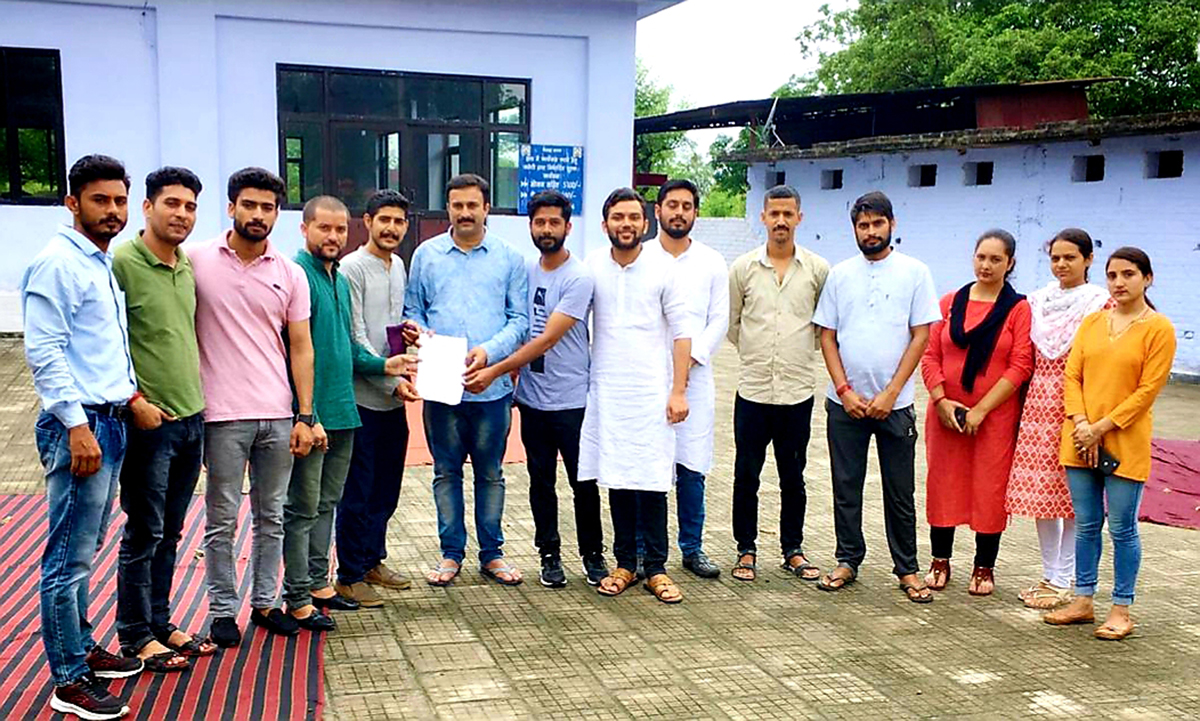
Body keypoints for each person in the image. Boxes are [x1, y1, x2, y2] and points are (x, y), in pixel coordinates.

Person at [23, 154, 145, 720]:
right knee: (65, 558)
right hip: (83, 426)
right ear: (73, 203)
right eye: (100, 200)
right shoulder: (58, 264)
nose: (113, 211)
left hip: (110, 420)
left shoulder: (99, 262)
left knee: (85, 549)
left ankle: (82, 647)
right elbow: (44, 353)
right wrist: (76, 427)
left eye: (119, 200)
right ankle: (67, 679)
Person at [192, 167, 316, 647]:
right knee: (221, 517)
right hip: (221, 414)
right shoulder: (197, 260)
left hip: (278, 413)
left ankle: (265, 603)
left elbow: (301, 346)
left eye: (268, 207)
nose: (259, 215)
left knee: (273, 516)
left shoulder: (289, 272)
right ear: (232, 207)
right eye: (250, 205)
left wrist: (305, 415)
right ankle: (223, 609)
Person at [282, 196, 416, 630]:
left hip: (353, 406)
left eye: (338, 230)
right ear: (305, 229)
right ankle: (309, 588)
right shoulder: (301, 274)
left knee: (335, 501)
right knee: (308, 506)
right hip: (327, 407)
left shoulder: (340, 276)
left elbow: (352, 344)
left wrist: (389, 363)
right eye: (325, 228)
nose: (333, 237)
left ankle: (328, 581)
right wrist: (307, 413)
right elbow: (300, 349)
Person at [464, 190, 608, 588]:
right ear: (530, 226)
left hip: (572, 399)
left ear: (568, 227)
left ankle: (593, 556)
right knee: (541, 481)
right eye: (540, 223)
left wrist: (495, 370)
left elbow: (546, 339)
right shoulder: (526, 271)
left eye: (554, 222)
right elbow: (514, 324)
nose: (547, 229)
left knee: (583, 483)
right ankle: (549, 555)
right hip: (532, 400)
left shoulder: (579, 277)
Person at [112, 167, 217, 674]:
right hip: (149, 423)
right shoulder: (123, 264)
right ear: (148, 207)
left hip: (192, 418)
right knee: (144, 531)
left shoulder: (185, 266)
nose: (181, 214)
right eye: (172, 203)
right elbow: (106, 343)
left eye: (190, 206)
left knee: (172, 531)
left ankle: (161, 621)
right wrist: (133, 399)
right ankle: (134, 634)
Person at [813, 191, 940, 603]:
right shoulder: (840, 274)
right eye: (862, 225)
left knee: (899, 490)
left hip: (895, 404)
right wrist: (845, 390)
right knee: (845, 485)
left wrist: (890, 392)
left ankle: (907, 568)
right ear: (854, 229)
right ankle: (848, 558)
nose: (870, 232)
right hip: (844, 403)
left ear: (892, 225)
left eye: (877, 223)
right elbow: (827, 336)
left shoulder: (915, 272)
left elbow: (921, 335)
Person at [403, 174, 528, 586]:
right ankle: (450, 553)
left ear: (486, 208)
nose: (465, 213)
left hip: (491, 387)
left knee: (491, 473)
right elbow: (413, 310)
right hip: (442, 387)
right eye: (457, 205)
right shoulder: (427, 255)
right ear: (449, 208)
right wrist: (422, 335)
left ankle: (492, 553)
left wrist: (489, 352)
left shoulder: (509, 258)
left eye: (473, 205)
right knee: (445, 471)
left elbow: (520, 321)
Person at [1045, 247, 1176, 641]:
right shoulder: (1092, 323)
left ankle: (1121, 608)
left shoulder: (1159, 329)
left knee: (1122, 527)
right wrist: (1082, 423)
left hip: (1124, 440)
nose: (1119, 283)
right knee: (1086, 525)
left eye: (1129, 274)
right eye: (1113, 275)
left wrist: (1101, 427)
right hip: (1080, 439)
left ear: (1147, 279)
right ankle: (1083, 600)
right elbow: (1073, 376)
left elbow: (1146, 391)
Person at [584, 188, 694, 604]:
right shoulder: (592, 267)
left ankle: (658, 568)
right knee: (617, 477)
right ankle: (626, 563)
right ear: (605, 224)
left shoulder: (664, 268)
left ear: (645, 224)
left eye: (633, 217)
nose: (625, 224)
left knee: (651, 479)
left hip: (653, 392)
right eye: (617, 217)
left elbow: (683, 332)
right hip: (609, 391)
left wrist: (678, 390)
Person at [921, 229, 1033, 596]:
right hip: (946, 415)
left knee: (989, 488)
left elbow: (1020, 365)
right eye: (981, 257)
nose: (986, 265)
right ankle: (940, 560)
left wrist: (982, 410)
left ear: (1010, 264)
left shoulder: (1018, 309)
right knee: (943, 483)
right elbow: (930, 354)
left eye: (996, 259)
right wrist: (941, 400)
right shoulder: (950, 302)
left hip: (994, 417)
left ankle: (984, 567)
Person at [727, 185, 829, 582]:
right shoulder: (743, 268)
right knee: (746, 475)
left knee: (793, 476)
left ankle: (793, 550)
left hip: (797, 392)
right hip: (752, 390)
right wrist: (757, 353)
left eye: (788, 214)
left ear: (799, 218)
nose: (781, 221)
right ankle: (746, 549)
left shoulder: (818, 270)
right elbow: (733, 324)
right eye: (774, 214)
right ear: (763, 217)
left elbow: (824, 327)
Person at [1006, 229, 1112, 609]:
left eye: (1070, 257)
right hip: (1037, 406)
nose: (1062, 265)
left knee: (1073, 494)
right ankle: (1049, 573)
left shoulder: (1100, 304)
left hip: (1077, 407)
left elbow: (1101, 360)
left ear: (1088, 260)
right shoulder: (1037, 302)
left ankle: (1066, 578)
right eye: (1055, 258)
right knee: (1041, 495)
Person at [335, 190, 422, 607]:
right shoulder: (351, 268)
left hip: (391, 397)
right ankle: (349, 574)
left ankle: (373, 560)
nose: (391, 228)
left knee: (387, 489)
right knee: (358, 492)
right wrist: (390, 377)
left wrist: (405, 336)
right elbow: (353, 337)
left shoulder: (398, 265)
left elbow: (386, 331)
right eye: (383, 219)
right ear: (366, 221)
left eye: (399, 221)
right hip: (360, 401)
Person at [642, 179, 728, 580]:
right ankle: (643, 549)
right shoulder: (640, 257)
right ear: (656, 211)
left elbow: (719, 321)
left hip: (695, 379)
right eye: (671, 205)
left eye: (687, 206)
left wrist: (688, 361)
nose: (679, 212)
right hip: (646, 377)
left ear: (696, 212)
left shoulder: (711, 261)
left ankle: (691, 548)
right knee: (648, 466)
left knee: (692, 466)